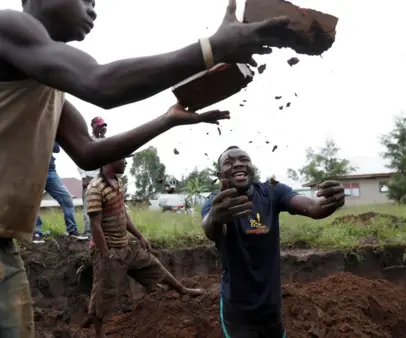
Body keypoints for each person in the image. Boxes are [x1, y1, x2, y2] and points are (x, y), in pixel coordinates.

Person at [0, 0, 289, 336]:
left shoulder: (47, 86)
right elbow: (100, 82)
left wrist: (168, 120)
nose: (93, 7)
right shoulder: (9, 25)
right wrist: (213, 48)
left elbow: (89, 152)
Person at [201, 146, 345, 337]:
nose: (237, 164)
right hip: (238, 312)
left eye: (243, 159)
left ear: (252, 167)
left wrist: (331, 201)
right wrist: (216, 218)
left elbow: (313, 207)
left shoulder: (272, 190)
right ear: (220, 175)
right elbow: (211, 229)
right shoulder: (214, 203)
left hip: (272, 309)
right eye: (228, 162)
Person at [85, 157, 204, 338]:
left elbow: (122, 213)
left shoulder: (118, 182)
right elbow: (95, 226)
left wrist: (139, 236)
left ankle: (182, 290)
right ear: (110, 159)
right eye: (123, 158)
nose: (126, 162)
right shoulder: (95, 188)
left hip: (125, 246)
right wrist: (106, 255)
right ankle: (99, 332)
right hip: (108, 250)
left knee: (153, 265)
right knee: (104, 292)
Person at [33, 142, 88, 244]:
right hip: (33, 170)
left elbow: (56, 148)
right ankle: (36, 232)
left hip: (50, 170)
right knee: (33, 202)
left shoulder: (48, 130)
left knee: (67, 198)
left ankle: (72, 230)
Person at [78, 117, 108, 237]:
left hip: (101, 177)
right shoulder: (87, 140)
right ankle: (87, 232)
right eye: (99, 126)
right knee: (88, 205)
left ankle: (103, 231)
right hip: (89, 177)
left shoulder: (105, 141)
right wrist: (83, 177)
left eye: (103, 126)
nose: (102, 128)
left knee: (104, 205)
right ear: (93, 126)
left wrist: (103, 138)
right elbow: (79, 159)